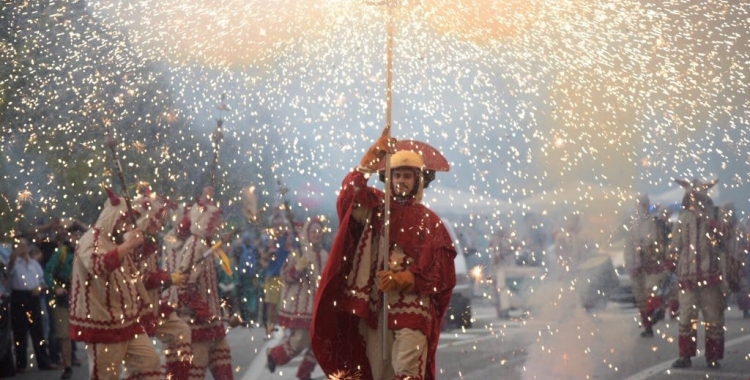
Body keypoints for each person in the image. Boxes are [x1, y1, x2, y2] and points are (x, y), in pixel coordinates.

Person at [312, 134, 457, 380]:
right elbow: (348, 198)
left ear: (418, 181)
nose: (401, 180)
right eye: (396, 175)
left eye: (407, 176)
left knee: (407, 370)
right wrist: (370, 158)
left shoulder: (429, 221)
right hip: (375, 306)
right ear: (388, 179)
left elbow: (440, 274)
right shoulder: (376, 207)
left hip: (413, 307)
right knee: (376, 373)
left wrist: (403, 280)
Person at [68, 188, 161, 380]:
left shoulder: (117, 240)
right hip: (101, 323)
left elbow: (133, 278)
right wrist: (127, 246)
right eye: (125, 221)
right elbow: (98, 266)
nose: (127, 226)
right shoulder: (90, 239)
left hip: (127, 322)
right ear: (113, 218)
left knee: (149, 365)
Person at [173, 186, 234, 380]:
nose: (219, 226)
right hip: (196, 323)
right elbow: (184, 285)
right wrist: (203, 312)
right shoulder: (195, 245)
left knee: (223, 363)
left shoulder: (206, 245)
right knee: (196, 370)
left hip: (212, 319)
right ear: (206, 223)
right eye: (215, 222)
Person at [131, 192, 193, 379]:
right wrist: (167, 278)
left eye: (160, 219)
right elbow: (138, 278)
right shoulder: (132, 241)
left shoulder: (151, 240)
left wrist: (167, 279)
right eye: (155, 220)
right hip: (134, 312)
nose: (159, 224)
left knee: (181, 332)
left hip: (154, 305)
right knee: (145, 365)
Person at [666, 179, 726, 369]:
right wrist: (670, 261)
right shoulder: (683, 218)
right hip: (688, 277)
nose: (694, 200)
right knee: (686, 318)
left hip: (710, 277)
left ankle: (713, 357)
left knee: (713, 319)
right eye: (691, 197)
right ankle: (685, 356)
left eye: (698, 197)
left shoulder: (714, 217)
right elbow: (675, 244)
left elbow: (722, 242)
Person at [267, 217, 329, 380]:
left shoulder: (324, 255)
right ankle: (274, 355)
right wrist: (298, 268)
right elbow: (286, 276)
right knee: (300, 340)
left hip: (319, 307)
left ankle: (304, 373)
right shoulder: (298, 253)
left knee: (320, 343)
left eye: (319, 232)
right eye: (313, 231)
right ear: (306, 233)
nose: (317, 235)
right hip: (301, 306)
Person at [9, 235, 57, 372]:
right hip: (19, 297)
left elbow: (42, 281)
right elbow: (9, 269)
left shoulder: (34, 263)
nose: (23, 248)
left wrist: (40, 288)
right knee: (20, 332)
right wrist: (15, 254)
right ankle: (21, 363)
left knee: (38, 331)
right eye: (20, 246)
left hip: (33, 297)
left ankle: (44, 361)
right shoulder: (14, 262)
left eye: (25, 245)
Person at [624, 195, 670, 337]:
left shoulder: (655, 223)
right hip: (637, 267)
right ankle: (648, 327)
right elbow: (628, 247)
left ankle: (658, 311)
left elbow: (658, 242)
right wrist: (630, 262)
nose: (642, 207)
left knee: (652, 293)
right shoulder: (632, 225)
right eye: (640, 204)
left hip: (652, 266)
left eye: (645, 204)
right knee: (641, 299)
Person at [44, 224, 86, 379]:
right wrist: (55, 288)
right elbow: (48, 271)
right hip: (63, 298)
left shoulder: (85, 251)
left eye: (79, 234)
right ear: (70, 236)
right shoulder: (61, 252)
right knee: (64, 334)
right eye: (75, 234)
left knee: (89, 330)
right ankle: (67, 366)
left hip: (81, 297)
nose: (77, 237)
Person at [232, 231, 265, 325]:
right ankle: (253, 316)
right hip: (253, 276)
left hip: (242, 276)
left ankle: (245, 318)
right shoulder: (254, 249)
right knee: (254, 295)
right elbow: (259, 261)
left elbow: (234, 260)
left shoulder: (239, 248)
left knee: (243, 296)